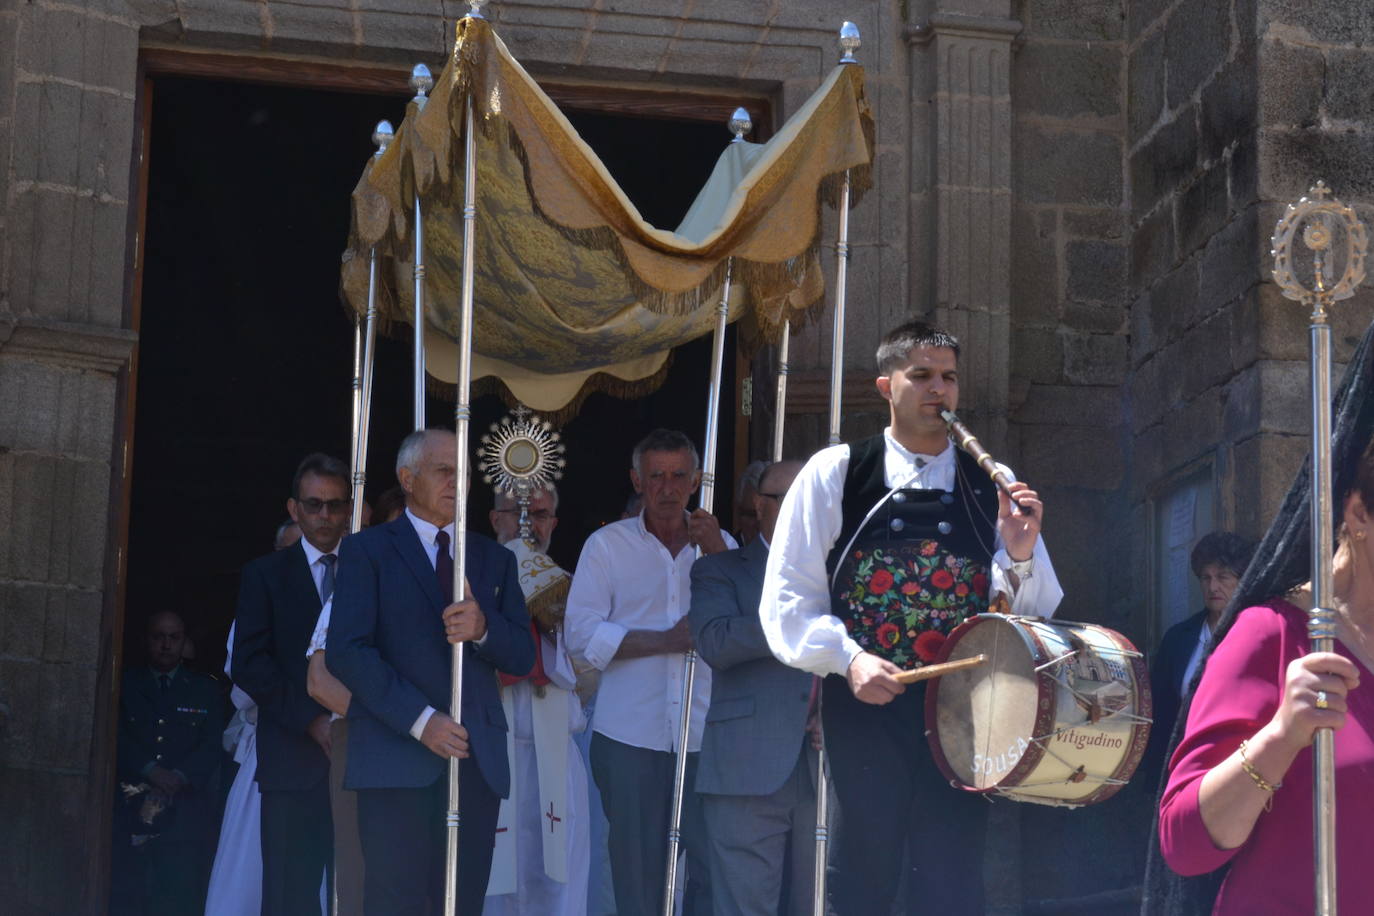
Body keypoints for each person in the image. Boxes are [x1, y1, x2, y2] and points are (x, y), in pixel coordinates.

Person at [759, 319, 1063, 914]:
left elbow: (1030, 618)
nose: (938, 390)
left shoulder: (988, 485)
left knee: (952, 876)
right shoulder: (837, 472)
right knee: (862, 869)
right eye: (920, 375)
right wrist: (847, 660)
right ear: (885, 385)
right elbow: (788, 600)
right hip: (867, 707)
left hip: (967, 714)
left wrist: (1021, 550)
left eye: (948, 378)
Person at [328, 428, 535, 915]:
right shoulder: (367, 552)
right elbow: (347, 652)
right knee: (393, 903)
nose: (455, 482)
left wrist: (484, 628)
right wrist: (421, 721)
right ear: (407, 477)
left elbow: (523, 655)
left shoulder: (494, 559)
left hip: (474, 763)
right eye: (443, 471)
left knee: (461, 904)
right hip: (396, 758)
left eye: (462, 473)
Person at [565, 428, 736, 916]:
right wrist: (666, 640)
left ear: (696, 480)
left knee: (710, 870)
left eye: (679, 476)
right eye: (656, 476)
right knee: (637, 876)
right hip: (630, 738)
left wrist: (721, 554)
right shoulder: (606, 545)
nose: (667, 487)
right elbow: (580, 634)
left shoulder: (719, 542)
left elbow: (749, 620)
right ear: (636, 480)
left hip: (704, 735)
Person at [688, 459, 818, 916]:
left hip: (829, 765)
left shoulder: (845, 573)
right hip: (748, 765)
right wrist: (792, 619)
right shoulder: (720, 571)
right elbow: (716, 641)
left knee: (824, 905)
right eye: (792, 497)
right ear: (761, 506)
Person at [232, 453, 350, 915]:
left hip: (363, 759)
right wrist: (312, 720)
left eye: (335, 505)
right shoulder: (265, 574)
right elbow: (250, 663)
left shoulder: (370, 569)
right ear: (294, 508)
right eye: (315, 504)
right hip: (292, 758)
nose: (325, 516)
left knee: (360, 894)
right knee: (288, 897)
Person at [483, 484, 591, 915]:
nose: (530, 526)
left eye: (541, 515)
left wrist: (553, 632)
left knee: (557, 885)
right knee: (495, 883)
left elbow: (593, 673)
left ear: (555, 523)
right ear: (495, 520)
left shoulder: (571, 592)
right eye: (518, 513)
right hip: (492, 752)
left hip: (556, 758)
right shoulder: (469, 581)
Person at [111, 611, 224, 916]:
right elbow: (114, 735)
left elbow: (214, 744)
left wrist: (180, 775)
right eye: (158, 636)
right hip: (130, 804)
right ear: (146, 640)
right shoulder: (124, 683)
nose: (165, 645)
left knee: (178, 896)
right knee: (128, 895)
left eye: (174, 637)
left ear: (184, 641)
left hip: (183, 813)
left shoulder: (205, 689)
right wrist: (150, 770)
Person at [1147, 531, 1256, 776]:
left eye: (1223, 577)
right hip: (1186, 766)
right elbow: (1162, 711)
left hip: (1241, 769)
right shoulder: (1179, 637)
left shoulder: (1257, 632)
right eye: (1205, 578)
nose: (1212, 586)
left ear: (1242, 579)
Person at [734, 459, 767, 546]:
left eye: (766, 514)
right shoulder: (726, 549)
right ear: (738, 514)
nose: (759, 525)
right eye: (752, 515)